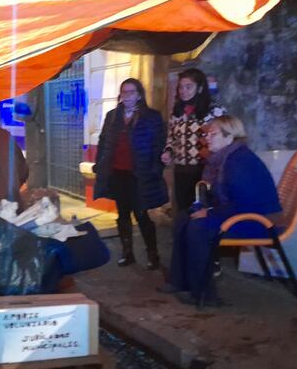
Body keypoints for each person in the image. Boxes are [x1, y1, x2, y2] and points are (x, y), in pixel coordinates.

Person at [163, 115, 282, 306]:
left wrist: (208, 213)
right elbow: (218, 195)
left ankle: (203, 294)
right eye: (206, 133)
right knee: (184, 218)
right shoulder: (224, 158)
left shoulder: (239, 162)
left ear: (229, 137)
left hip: (257, 222)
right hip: (239, 213)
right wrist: (200, 207)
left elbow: (245, 203)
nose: (206, 138)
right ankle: (180, 281)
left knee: (198, 228)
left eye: (213, 134)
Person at [93, 78, 168, 270]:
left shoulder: (151, 117)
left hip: (139, 175)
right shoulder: (112, 116)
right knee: (123, 214)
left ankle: (153, 255)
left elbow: (159, 145)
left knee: (142, 214)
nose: (126, 96)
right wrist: (99, 165)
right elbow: (103, 143)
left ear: (139, 95)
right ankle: (127, 253)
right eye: (123, 92)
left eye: (131, 92)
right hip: (117, 173)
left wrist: (155, 169)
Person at [161, 69, 226, 211]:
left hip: (205, 170)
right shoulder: (177, 112)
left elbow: (224, 138)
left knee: (203, 210)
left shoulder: (214, 111)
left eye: (189, 86)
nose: (183, 91)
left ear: (200, 87)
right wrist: (168, 152)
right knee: (183, 211)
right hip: (181, 171)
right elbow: (171, 137)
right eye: (181, 87)